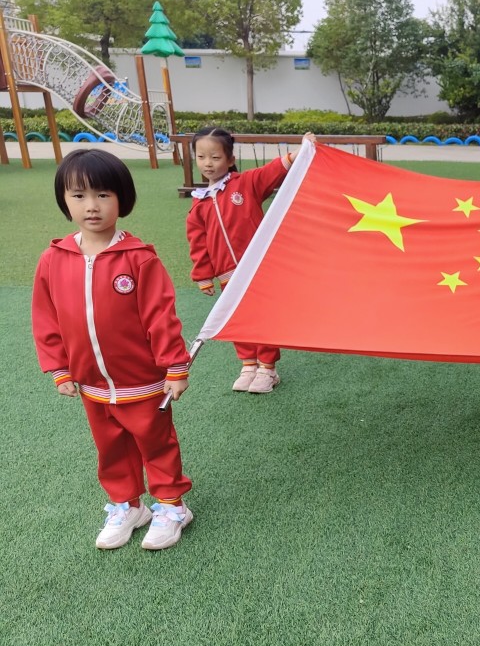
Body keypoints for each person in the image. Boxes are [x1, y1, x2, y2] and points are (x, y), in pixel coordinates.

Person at [32, 149, 194, 550]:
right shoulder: (53, 259)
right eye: (79, 195)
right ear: (64, 200)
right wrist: (59, 368)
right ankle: (127, 505)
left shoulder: (139, 259)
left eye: (103, 195)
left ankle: (171, 506)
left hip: (142, 382)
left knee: (156, 444)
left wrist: (175, 366)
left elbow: (161, 316)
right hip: (92, 385)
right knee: (111, 448)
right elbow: (46, 319)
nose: (91, 206)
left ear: (122, 199)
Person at [186, 128, 315, 393]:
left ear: (230, 159)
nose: (208, 163)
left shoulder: (245, 183)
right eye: (201, 157)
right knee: (237, 319)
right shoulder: (199, 204)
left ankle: (267, 368)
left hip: (258, 270)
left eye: (215, 157)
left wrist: (301, 149)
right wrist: (202, 275)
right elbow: (198, 244)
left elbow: (273, 170)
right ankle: (248, 365)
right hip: (228, 276)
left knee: (262, 318)